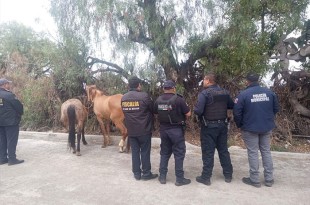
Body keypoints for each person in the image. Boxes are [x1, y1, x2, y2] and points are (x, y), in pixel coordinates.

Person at [233, 72, 279, 188]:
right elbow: (276, 109)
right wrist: (267, 120)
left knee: (253, 153)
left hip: (249, 128)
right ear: (258, 80)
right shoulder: (269, 93)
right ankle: (269, 179)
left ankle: (254, 179)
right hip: (266, 127)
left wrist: (240, 125)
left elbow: (237, 113)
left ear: (247, 81)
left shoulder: (243, 95)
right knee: (266, 151)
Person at [194, 73, 234, 186]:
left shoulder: (204, 93)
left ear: (208, 80)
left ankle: (206, 177)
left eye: (203, 80)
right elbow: (231, 105)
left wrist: (195, 108)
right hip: (222, 126)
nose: (203, 82)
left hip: (209, 127)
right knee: (223, 150)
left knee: (208, 152)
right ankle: (228, 175)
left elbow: (198, 111)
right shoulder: (225, 92)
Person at [154, 80, 191, 186]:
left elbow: (155, 112)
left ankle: (162, 177)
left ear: (164, 89)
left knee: (165, 153)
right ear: (174, 88)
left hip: (164, 130)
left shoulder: (158, 100)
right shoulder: (179, 100)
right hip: (176, 130)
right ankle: (179, 179)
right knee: (179, 154)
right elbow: (188, 113)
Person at [121, 76, 158, 181]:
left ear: (129, 86)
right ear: (138, 85)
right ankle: (146, 174)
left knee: (135, 152)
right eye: (140, 84)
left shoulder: (123, 98)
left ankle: (137, 174)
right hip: (144, 130)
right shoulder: (144, 96)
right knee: (145, 151)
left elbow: (125, 113)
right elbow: (154, 109)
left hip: (131, 131)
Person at [0, 78, 24, 166]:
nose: (9, 85)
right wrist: (20, 113)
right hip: (11, 122)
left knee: (2, 140)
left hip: (0, 122)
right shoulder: (9, 95)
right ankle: (12, 159)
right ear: (4, 85)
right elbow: (19, 107)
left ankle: (2, 159)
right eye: (8, 84)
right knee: (11, 140)